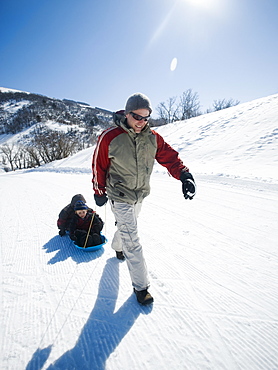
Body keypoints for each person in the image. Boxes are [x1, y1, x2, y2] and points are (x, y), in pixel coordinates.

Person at [92, 92, 196, 305]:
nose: (141, 122)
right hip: (119, 194)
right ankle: (141, 287)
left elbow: (170, 157)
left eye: (146, 117)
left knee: (128, 227)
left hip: (140, 193)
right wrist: (99, 191)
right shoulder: (110, 137)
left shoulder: (153, 138)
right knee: (133, 239)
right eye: (137, 117)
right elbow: (98, 165)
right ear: (127, 113)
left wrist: (184, 175)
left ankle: (117, 247)